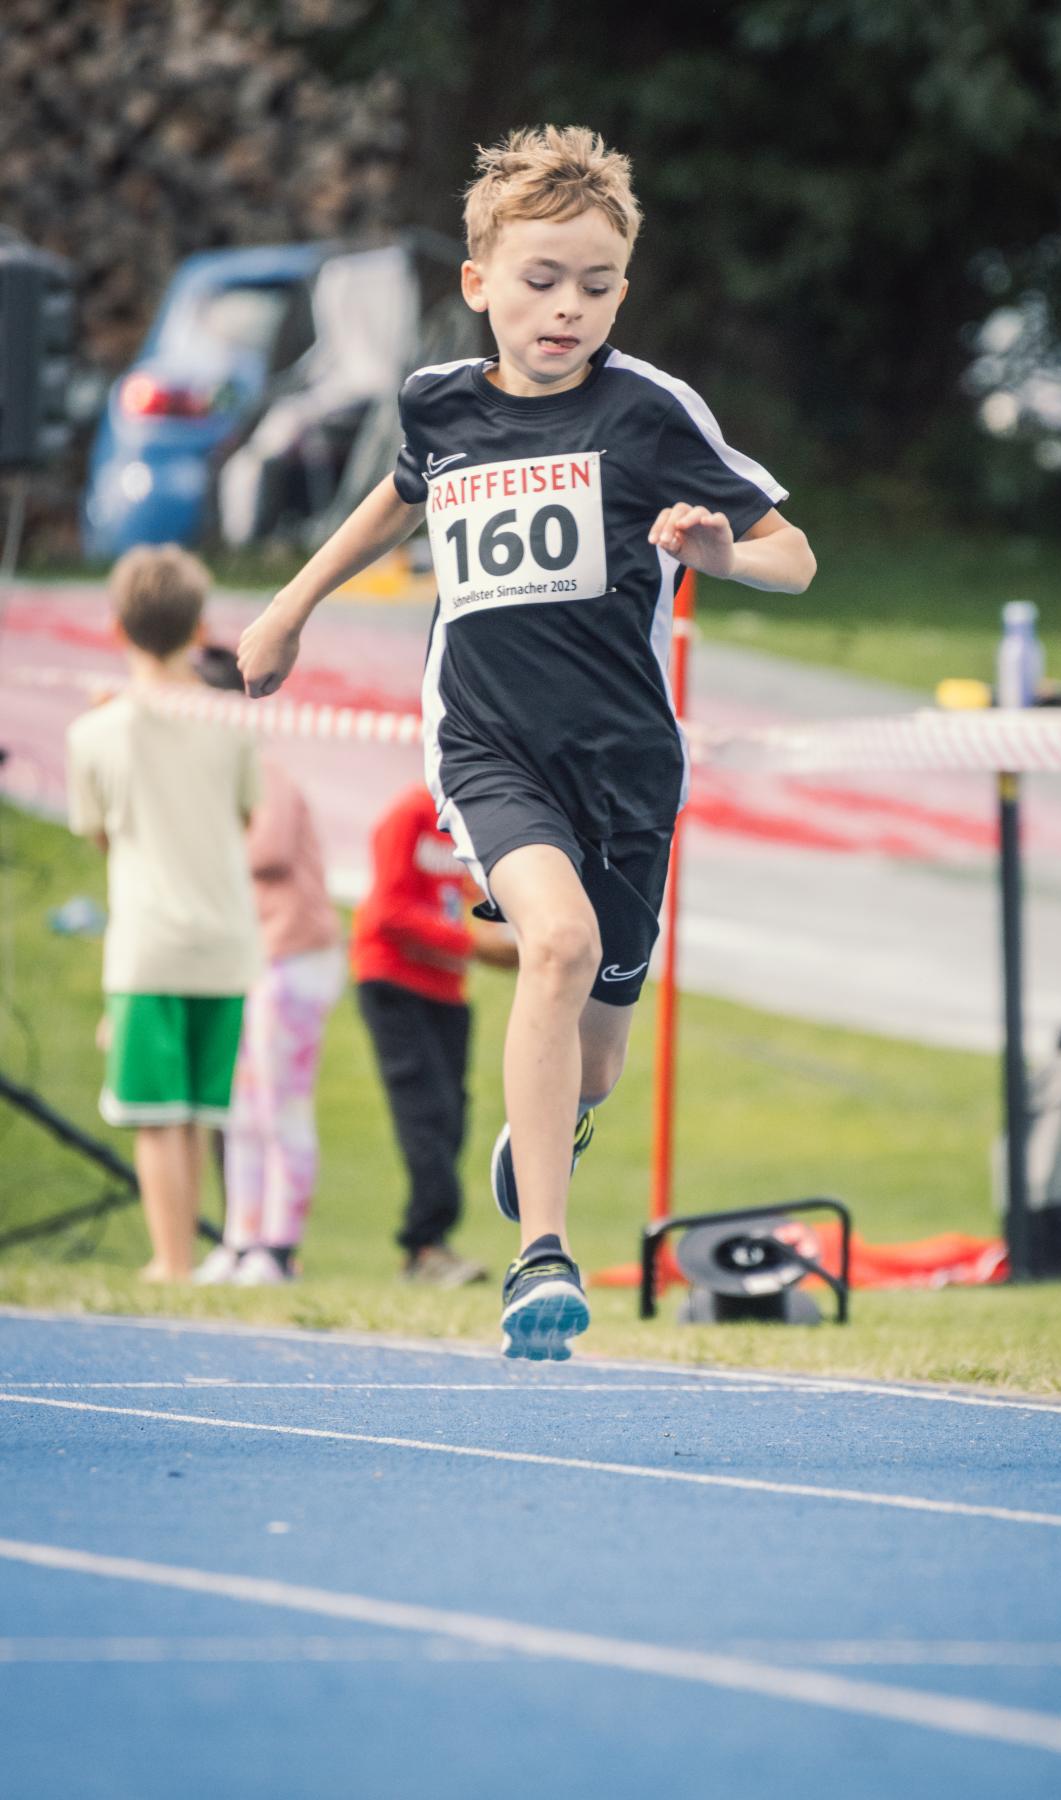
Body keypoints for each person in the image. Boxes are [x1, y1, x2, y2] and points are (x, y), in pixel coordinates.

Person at [238, 125, 817, 1358]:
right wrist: (291, 605)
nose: (567, 310)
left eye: (595, 287)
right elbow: (399, 496)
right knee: (553, 943)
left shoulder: (648, 412)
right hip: (487, 748)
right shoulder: (439, 404)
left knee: (595, 1054)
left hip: (627, 770)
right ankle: (540, 1258)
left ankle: (558, 1114)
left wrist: (723, 555)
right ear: (477, 283)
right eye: (541, 281)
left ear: (622, 291)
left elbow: (795, 554)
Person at [67, 547, 260, 1282]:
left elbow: (98, 833)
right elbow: (246, 817)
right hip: (227, 940)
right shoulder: (231, 722)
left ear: (116, 628)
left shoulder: (93, 733)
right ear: (200, 628)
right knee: (200, 1112)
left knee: (156, 1114)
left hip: (148, 945)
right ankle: (184, 1256)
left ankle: (171, 1261)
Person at [191, 647, 344, 1286]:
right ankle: (240, 1239)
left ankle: (279, 1248)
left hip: (293, 958)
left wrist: (197, 841)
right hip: (253, 961)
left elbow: (270, 850)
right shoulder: (221, 782)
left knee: (281, 1106)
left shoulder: (263, 773)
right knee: (241, 1110)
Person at [352, 782, 517, 1286]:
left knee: (453, 1114)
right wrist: (472, 943)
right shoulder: (410, 814)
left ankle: (433, 1242)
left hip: (448, 987)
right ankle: (423, 1246)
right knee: (427, 1111)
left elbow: (473, 899)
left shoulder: (480, 821)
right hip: (395, 981)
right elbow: (388, 911)